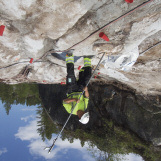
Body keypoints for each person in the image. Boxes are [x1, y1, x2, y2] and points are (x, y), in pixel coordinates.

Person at [63, 50, 92, 124]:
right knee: (87, 78)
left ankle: (69, 56)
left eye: (83, 114)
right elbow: (87, 97)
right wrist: (86, 91)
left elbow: (65, 102)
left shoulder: (71, 111)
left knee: (70, 74)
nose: (84, 112)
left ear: (80, 117)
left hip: (71, 90)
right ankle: (87, 59)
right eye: (85, 113)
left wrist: (74, 99)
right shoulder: (85, 107)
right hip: (80, 90)